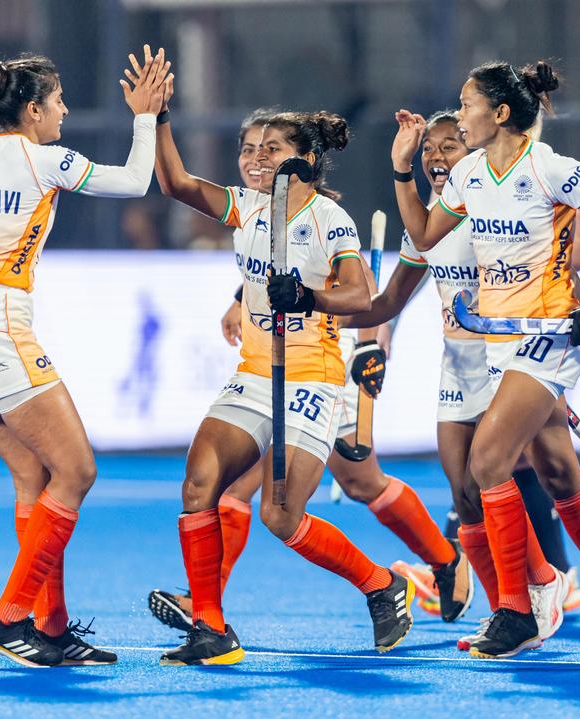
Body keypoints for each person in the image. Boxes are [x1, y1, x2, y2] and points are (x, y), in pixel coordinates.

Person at [147, 109, 472, 635]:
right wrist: (156, 117)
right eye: (248, 148)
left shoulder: (329, 221)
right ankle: (207, 616)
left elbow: (363, 296)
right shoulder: (248, 208)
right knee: (210, 486)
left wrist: (335, 321)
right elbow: (178, 184)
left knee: (340, 489)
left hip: (315, 375)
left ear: (306, 160)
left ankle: (429, 566)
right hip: (256, 372)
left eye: (270, 149)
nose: (255, 160)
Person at [0, 47, 170, 667]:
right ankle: (9, 617)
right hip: (1, 326)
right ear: (32, 109)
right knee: (77, 472)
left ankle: (48, 628)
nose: (64, 110)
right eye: (58, 101)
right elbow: (134, 181)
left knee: (33, 478)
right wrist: (145, 117)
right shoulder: (44, 160)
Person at [391, 60, 580, 665]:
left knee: (487, 461)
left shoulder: (550, 169)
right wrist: (401, 169)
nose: (459, 116)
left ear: (502, 113)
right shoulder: (466, 172)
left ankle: (516, 608)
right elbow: (425, 235)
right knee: (559, 476)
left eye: (466, 106)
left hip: (548, 337)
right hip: (500, 341)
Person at [347, 110, 580, 651]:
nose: (437, 157)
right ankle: (512, 603)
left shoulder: (510, 203)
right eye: (430, 149)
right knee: (465, 492)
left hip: (514, 354)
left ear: (477, 154)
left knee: (511, 468)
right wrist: (337, 315)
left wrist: (539, 271)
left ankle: (546, 584)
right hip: (458, 363)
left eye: (450, 145)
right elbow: (388, 301)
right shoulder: (434, 222)